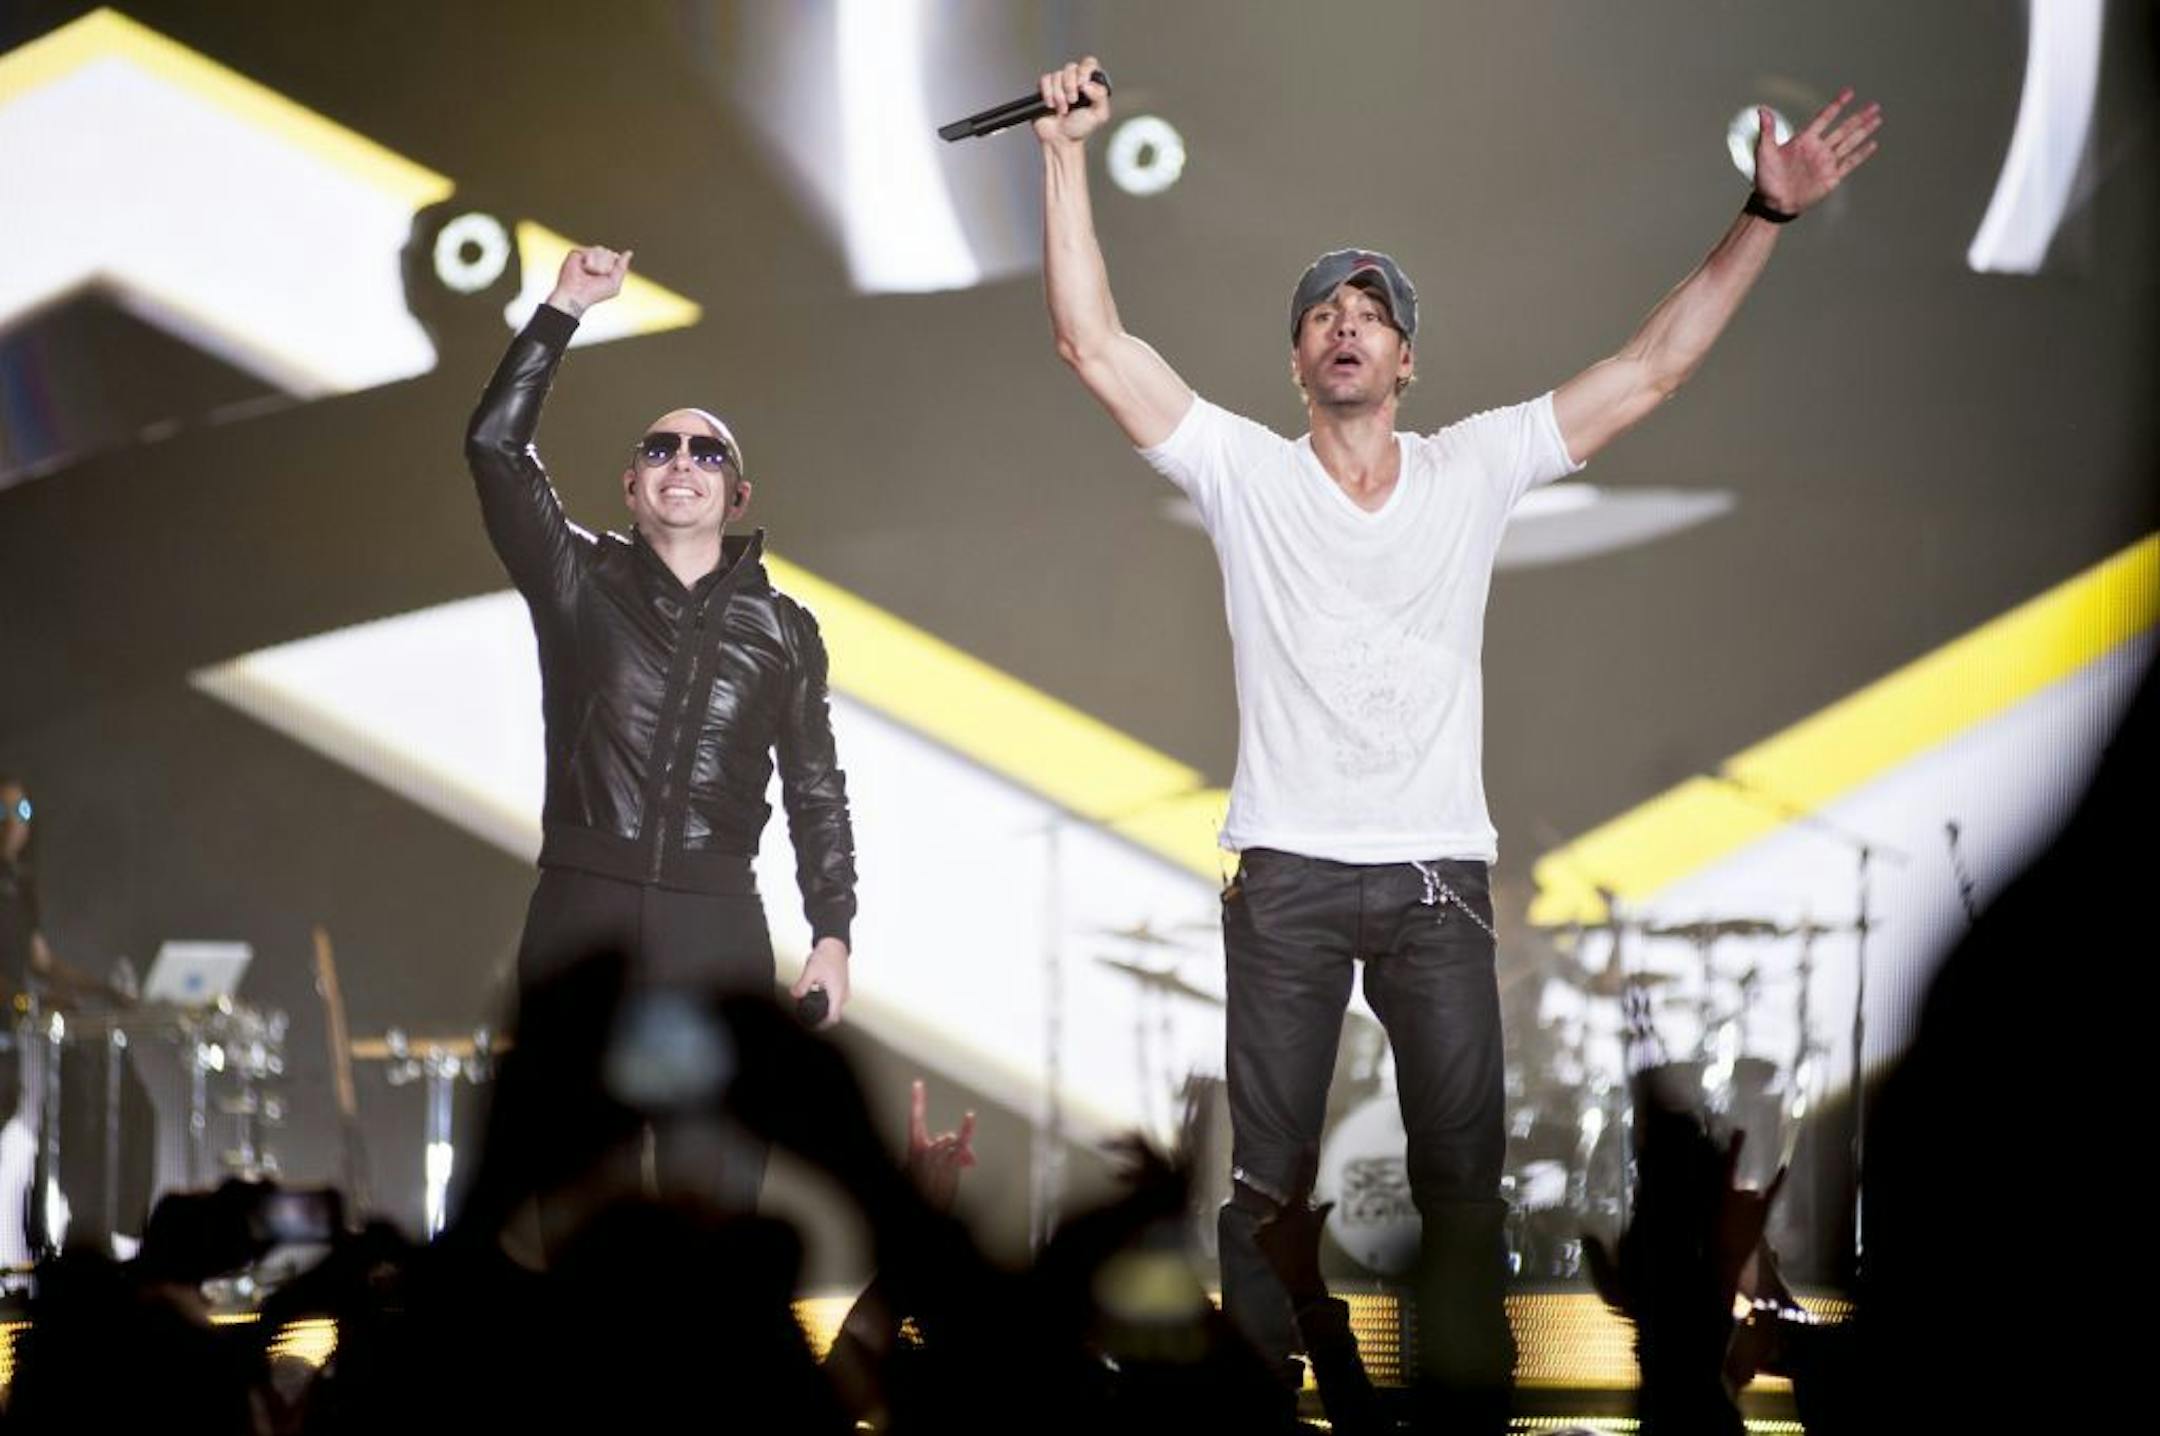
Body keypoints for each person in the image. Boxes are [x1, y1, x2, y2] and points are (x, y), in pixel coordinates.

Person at [1031, 54, 1881, 1419]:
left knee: (1459, 1193)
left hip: (1436, 879)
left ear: (1409, 360)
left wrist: (1764, 218)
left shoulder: (1473, 465)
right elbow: (1095, 344)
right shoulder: (1245, 471)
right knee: (1265, 1189)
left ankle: (1454, 1415)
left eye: (1373, 311)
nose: (1347, 325)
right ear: (1298, 360)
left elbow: (1651, 369)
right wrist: (1066, 153)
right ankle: (1253, 1409)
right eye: (1323, 313)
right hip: (1291, 875)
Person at [463, 246, 858, 1216]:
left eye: (708, 452)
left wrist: (833, 930)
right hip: (582, 901)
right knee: (570, 1186)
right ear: (633, 487)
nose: (684, 461)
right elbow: (494, 450)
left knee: (718, 1188)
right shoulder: (579, 579)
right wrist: (562, 307)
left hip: (713, 918)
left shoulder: (785, 629)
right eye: (662, 449)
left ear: (738, 496)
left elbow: (816, 787)